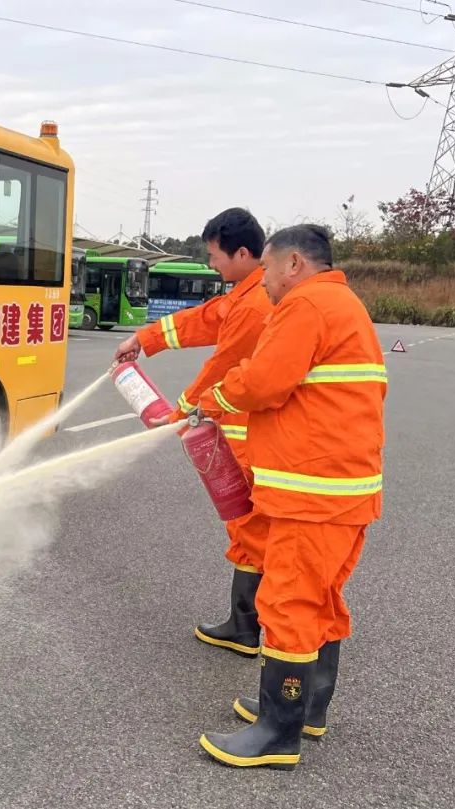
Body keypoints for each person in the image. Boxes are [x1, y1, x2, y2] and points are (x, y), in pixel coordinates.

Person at [193, 224, 387, 770]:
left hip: (313, 495)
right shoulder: (341, 304)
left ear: (294, 263)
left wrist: (213, 397)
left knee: (289, 603)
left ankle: (278, 732)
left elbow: (262, 381)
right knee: (320, 600)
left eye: (268, 270)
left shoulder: (306, 305)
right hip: (340, 491)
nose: (264, 282)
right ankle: (306, 710)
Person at [114, 208, 273, 657]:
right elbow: (204, 319)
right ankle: (250, 622)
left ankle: (247, 627)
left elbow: (222, 366)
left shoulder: (256, 303)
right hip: (246, 432)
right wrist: (143, 340)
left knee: (250, 526)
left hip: (251, 435)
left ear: (242, 254)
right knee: (251, 526)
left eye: (215, 256)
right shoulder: (247, 293)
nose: (211, 264)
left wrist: (180, 413)